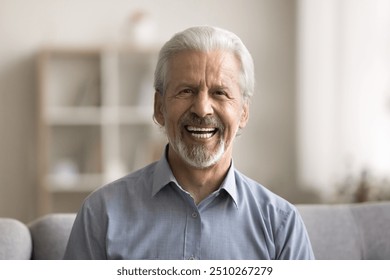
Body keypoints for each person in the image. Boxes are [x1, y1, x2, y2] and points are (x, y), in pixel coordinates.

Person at [63, 25, 315, 260]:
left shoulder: (281, 225)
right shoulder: (101, 214)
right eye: (186, 91)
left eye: (220, 93)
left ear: (244, 113)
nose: (203, 109)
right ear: (159, 107)